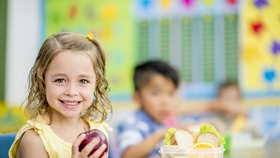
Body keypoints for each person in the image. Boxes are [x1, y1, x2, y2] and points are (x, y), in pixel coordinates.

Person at [9, 32, 112, 158]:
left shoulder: (99, 131)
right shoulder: (35, 140)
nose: (72, 91)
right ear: (42, 81)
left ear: (96, 84)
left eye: (83, 81)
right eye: (60, 80)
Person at [116, 60, 186, 158]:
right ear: (137, 97)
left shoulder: (161, 122)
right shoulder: (133, 124)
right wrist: (164, 132)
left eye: (171, 94)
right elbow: (127, 155)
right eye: (156, 93)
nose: (165, 101)